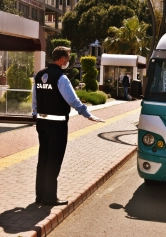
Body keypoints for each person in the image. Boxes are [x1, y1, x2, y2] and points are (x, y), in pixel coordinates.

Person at [32, 46, 104, 206]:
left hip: (42, 123)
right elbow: (73, 100)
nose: (68, 62)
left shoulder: (39, 75)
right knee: (54, 160)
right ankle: (50, 197)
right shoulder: (61, 78)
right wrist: (87, 114)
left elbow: (34, 99)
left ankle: (40, 195)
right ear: (63, 60)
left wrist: (34, 114)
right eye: (68, 59)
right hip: (57, 124)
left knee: (43, 158)